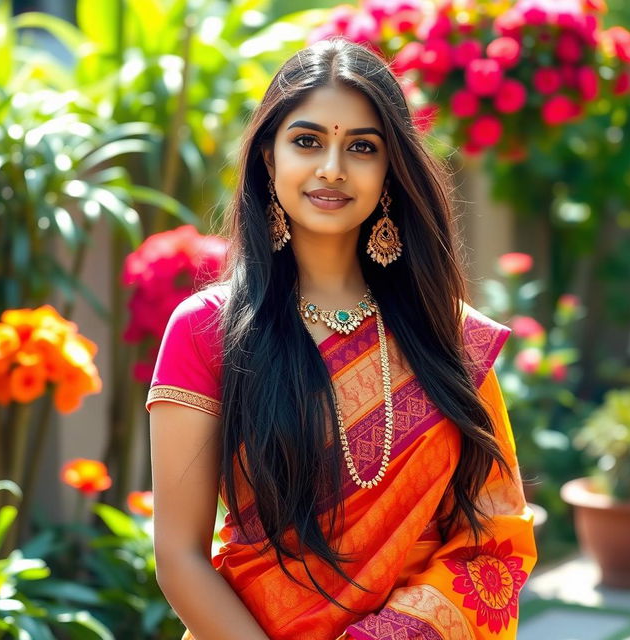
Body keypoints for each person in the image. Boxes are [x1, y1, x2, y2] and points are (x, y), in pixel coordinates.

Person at [146, 37, 537, 640]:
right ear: (269, 158)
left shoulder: (446, 333)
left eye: (361, 147)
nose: (332, 167)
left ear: (390, 172)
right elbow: (179, 557)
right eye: (307, 141)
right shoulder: (206, 330)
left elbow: (494, 537)